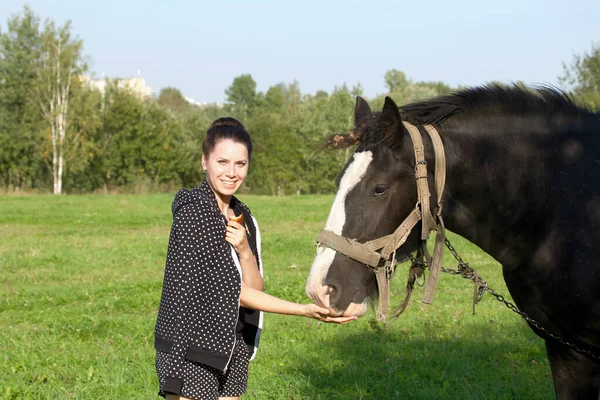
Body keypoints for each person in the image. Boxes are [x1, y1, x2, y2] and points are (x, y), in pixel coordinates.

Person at [154, 117, 354, 400]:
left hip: (232, 344)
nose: (231, 173)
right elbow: (235, 293)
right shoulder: (194, 214)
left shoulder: (243, 215)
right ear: (204, 162)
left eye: (240, 164)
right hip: (191, 347)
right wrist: (304, 310)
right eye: (222, 162)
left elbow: (254, 288)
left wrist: (244, 250)